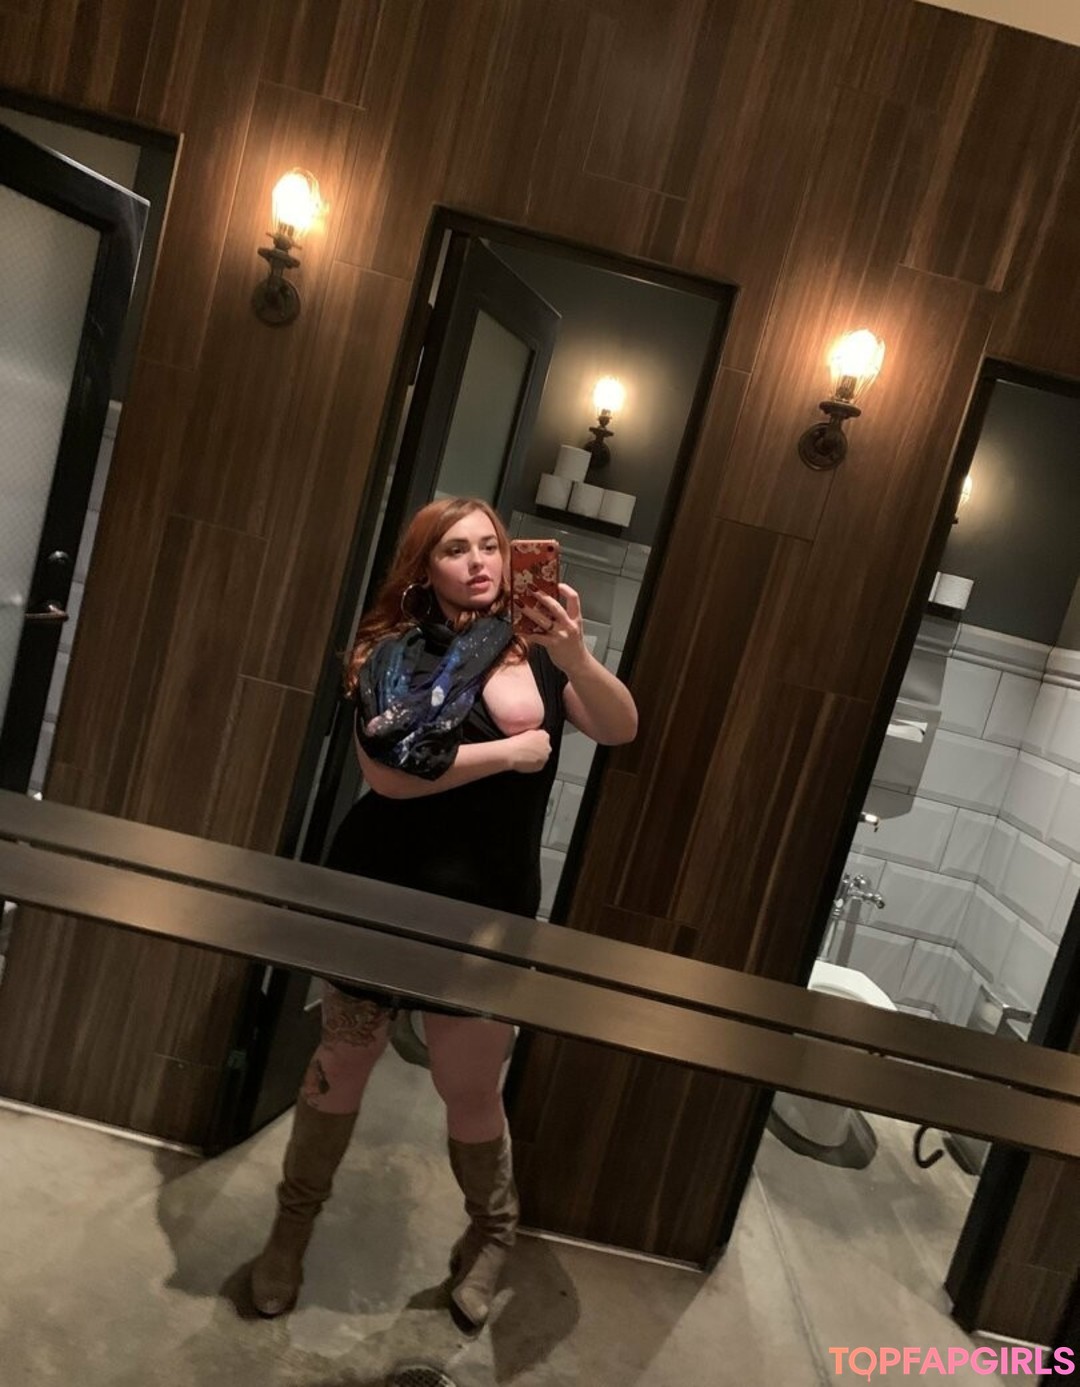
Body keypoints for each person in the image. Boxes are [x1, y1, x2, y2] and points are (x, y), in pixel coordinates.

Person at [250, 496, 638, 1329]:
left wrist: (576, 655)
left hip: (490, 904)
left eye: (489, 545)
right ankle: (290, 1229)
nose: (478, 561)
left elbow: (619, 727)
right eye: (455, 548)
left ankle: (492, 1235)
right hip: (382, 887)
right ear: (424, 566)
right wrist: (510, 752)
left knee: (469, 1083)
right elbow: (388, 776)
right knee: (343, 1059)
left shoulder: (537, 650)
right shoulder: (393, 652)